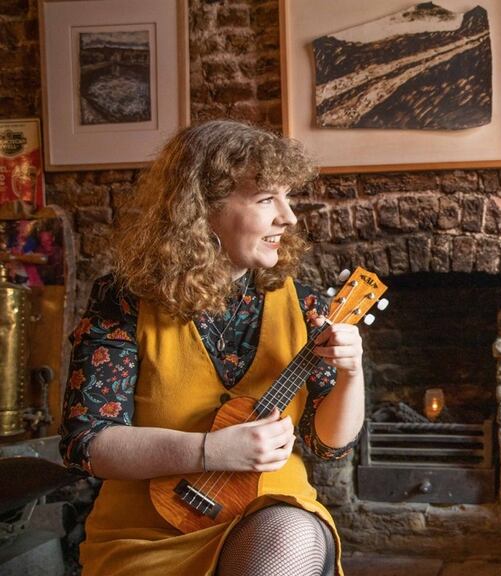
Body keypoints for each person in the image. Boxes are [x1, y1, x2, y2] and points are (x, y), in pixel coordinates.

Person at [60, 120, 364, 576]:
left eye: (287, 197)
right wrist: (209, 451)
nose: (289, 217)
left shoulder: (306, 307)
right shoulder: (123, 300)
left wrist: (351, 371)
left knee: (289, 536)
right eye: (266, 199)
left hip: (268, 519)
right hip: (147, 535)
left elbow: (328, 446)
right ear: (201, 209)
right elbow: (87, 443)